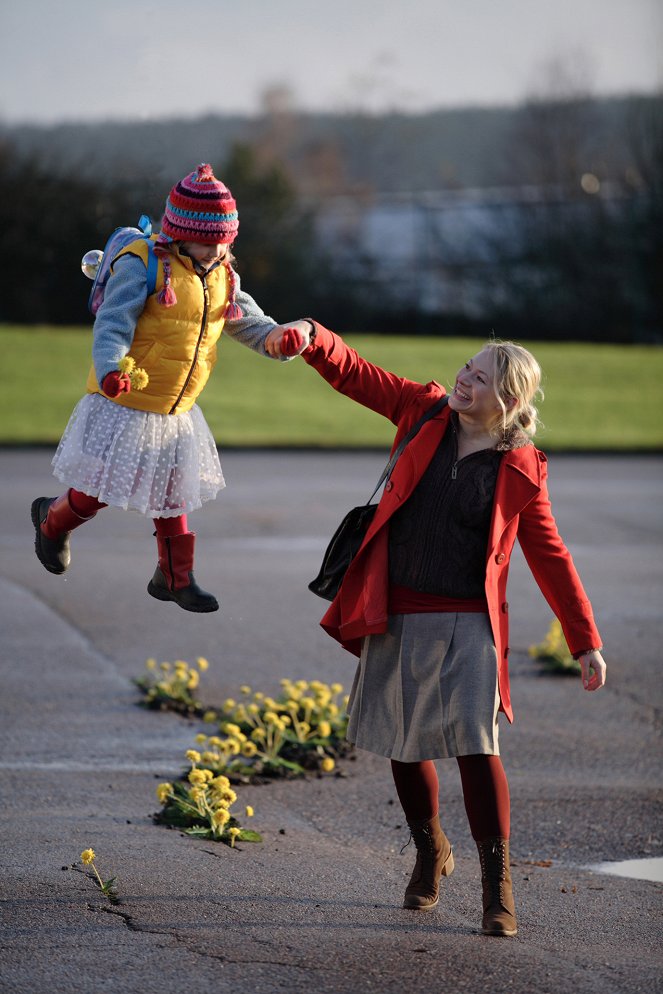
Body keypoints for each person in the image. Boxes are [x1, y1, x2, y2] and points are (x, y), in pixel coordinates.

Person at [269, 322, 607, 937]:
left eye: (478, 377)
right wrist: (311, 338)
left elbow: (549, 554)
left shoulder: (521, 467)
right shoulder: (422, 411)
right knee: (405, 744)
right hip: (397, 607)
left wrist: (583, 639)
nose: (463, 378)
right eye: (466, 367)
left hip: (471, 621)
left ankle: (496, 886)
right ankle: (430, 851)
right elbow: (356, 372)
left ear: (507, 401)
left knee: (478, 748)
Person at [31, 163, 312, 613]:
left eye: (223, 244)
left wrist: (280, 339)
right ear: (180, 232)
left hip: (177, 408)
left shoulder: (222, 273)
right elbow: (113, 323)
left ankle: (176, 577)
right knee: (99, 489)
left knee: (174, 492)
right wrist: (110, 368)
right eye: (207, 242)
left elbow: (247, 321)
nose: (215, 252)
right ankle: (51, 522)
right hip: (125, 396)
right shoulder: (144, 264)